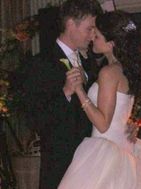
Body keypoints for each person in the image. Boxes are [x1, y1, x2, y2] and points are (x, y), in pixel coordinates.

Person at [58, 11, 141, 189]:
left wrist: (79, 91)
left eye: (96, 35)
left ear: (111, 43)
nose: (92, 37)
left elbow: (103, 124)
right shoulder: (123, 69)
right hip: (124, 148)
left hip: (107, 152)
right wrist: (129, 123)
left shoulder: (108, 72)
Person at [23, 0, 103, 188]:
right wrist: (65, 92)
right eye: (89, 29)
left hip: (92, 162)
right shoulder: (41, 64)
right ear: (70, 24)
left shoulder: (89, 63)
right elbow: (35, 120)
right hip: (61, 165)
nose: (92, 35)